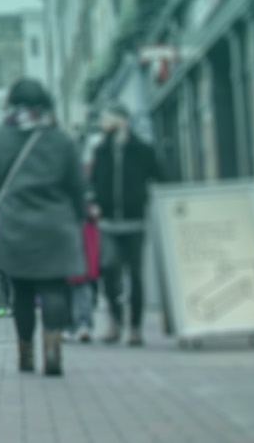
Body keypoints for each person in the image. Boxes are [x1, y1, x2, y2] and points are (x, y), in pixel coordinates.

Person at [0, 78, 86, 377]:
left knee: (23, 291)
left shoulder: (0, 140)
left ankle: (25, 354)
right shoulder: (61, 140)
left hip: (16, 226)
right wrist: (76, 217)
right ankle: (53, 351)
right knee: (55, 287)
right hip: (57, 224)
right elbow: (77, 186)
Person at [91, 102, 164, 347]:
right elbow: (94, 182)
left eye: (106, 118)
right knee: (109, 273)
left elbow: (161, 175)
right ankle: (115, 322)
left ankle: (135, 328)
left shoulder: (142, 149)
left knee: (135, 275)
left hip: (135, 221)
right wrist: (94, 202)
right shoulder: (101, 150)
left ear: (122, 120)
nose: (103, 124)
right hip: (108, 222)